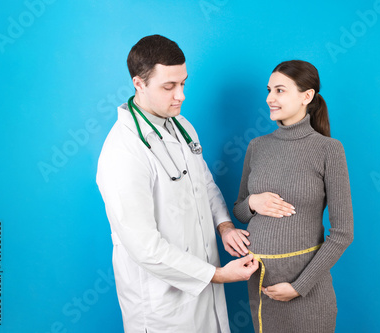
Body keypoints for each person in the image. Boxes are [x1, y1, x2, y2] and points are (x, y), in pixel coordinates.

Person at [96, 35, 258, 333]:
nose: (180, 95)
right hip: (162, 305)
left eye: (183, 83)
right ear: (139, 84)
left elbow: (204, 183)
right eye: (169, 87)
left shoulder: (182, 126)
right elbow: (145, 248)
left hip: (204, 283)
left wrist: (224, 226)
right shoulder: (123, 151)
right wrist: (218, 275)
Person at [233, 60, 354, 333]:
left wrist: (298, 287)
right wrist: (253, 203)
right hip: (262, 285)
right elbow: (239, 210)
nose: (269, 98)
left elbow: (343, 232)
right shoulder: (258, 146)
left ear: (306, 96)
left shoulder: (328, 150)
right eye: (268, 90)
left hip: (306, 290)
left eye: (279, 90)